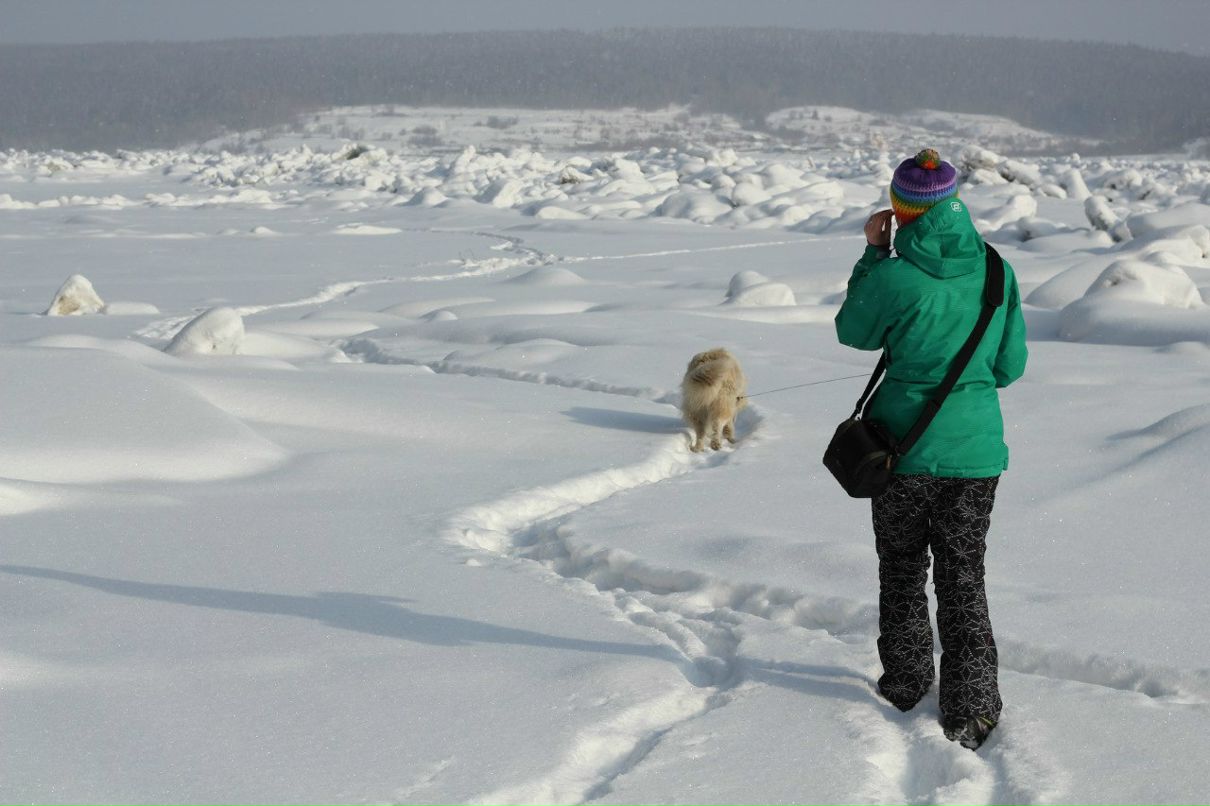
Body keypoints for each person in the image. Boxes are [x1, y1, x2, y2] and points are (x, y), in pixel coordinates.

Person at [834, 148, 1028, 750]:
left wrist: (873, 254)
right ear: (952, 202)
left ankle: (906, 682)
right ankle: (973, 706)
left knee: (901, 568)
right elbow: (1010, 366)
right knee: (963, 575)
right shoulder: (996, 270)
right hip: (976, 455)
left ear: (900, 210)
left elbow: (851, 332)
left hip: (900, 453)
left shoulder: (893, 274)